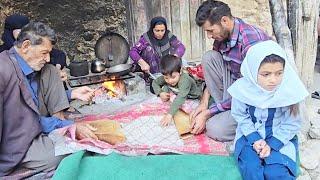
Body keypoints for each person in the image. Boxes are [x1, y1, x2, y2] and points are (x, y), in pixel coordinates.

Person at [0, 22, 97, 176]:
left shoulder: (28, 67)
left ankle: (58, 131)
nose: (48, 58)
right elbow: (24, 120)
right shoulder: (3, 70)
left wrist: (71, 95)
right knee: (69, 150)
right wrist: (68, 126)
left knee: (51, 70)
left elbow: (32, 102)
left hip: (34, 126)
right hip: (15, 143)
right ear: (25, 46)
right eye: (44, 53)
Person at [189, 0, 271, 141]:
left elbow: (252, 92)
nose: (209, 36)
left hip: (256, 100)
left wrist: (209, 112)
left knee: (214, 129)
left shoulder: (251, 42)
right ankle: (224, 110)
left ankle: (248, 123)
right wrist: (204, 102)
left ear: (225, 20)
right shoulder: (222, 35)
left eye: (210, 30)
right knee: (209, 57)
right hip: (237, 87)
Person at [228, 40, 308, 179]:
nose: (273, 80)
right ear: (253, 72)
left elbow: (292, 123)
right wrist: (255, 139)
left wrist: (271, 145)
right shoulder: (242, 90)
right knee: (251, 168)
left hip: (279, 136)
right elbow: (240, 116)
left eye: (279, 73)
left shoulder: (289, 91)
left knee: (276, 172)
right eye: (266, 74)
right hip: (249, 136)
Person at [0, 14, 68, 80]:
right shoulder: (3, 55)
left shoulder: (34, 46)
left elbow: (59, 55)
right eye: (20, 30)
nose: (23, 33)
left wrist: (57, 69)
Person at [152, 55, 201, 126]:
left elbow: (180, 98)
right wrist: (160, 93)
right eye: (166, 78)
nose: (170, 80)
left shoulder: (185, 80)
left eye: (173, 77)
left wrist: (169, 115)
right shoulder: (168, 75)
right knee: (165, 87)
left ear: (180, 71)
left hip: (193, 97)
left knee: (191, 112)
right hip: (179, 93)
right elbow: (155, 82)